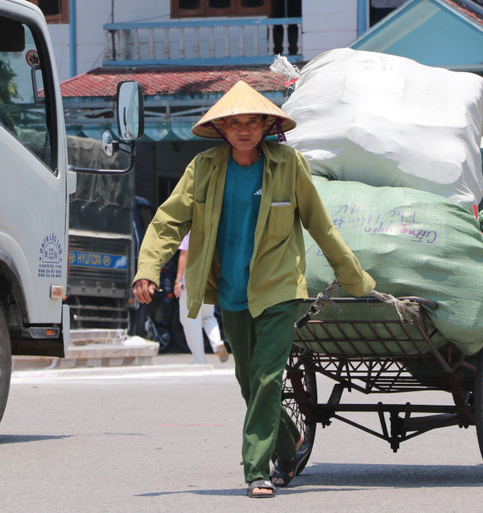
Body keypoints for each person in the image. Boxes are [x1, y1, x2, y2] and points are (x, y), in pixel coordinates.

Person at [131, 80, 375, 498]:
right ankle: (289, 441)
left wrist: (354, 279)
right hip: (231, 291)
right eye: (235, 123)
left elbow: (320, 223)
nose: (244, 129)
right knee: (248, 380)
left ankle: (256, 470)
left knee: (266, 377)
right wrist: (148, 269)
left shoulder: (288, 164)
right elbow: (169, 220)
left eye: (253, 122)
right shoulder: (204, 169)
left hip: (280, 289)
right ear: (223, 129)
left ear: (266, 126)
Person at [174, 232, 229, 364]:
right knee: (207, 316)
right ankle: (217, 344)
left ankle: (199, 359)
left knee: (190, 321)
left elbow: (184, 254)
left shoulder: (191, 230)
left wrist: (178, 280)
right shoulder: (215, 229)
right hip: (210, 281)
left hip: (193, 282)